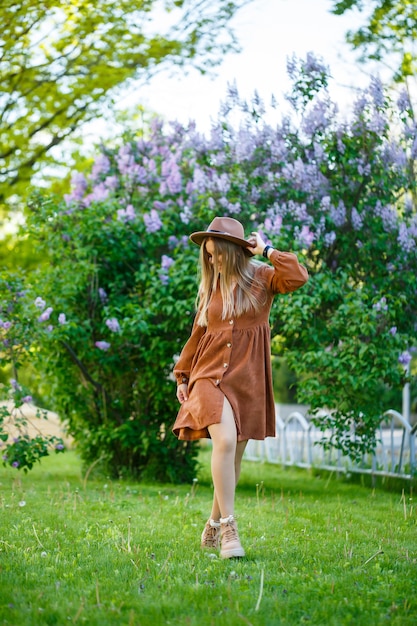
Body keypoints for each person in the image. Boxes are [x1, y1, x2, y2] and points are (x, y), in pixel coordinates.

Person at [173, 216, 308, 559]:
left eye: (216, 254)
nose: (211, 261)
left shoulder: (263, 278)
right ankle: (230, 529)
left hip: (246, 379)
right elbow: (198, 334)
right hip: (208, 376)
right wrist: (183, 375)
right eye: (207, 255)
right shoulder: (210, 289)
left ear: (235, 252)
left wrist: (266, 250)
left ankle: (213, 524)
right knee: (226, 441)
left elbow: (298, 276)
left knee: (234, 453)